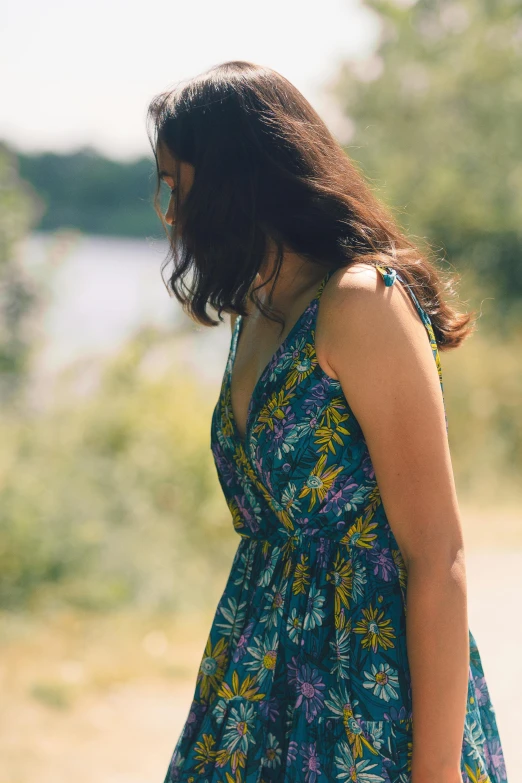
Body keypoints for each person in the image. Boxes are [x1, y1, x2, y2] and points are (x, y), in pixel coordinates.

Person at [147, 60, 508, 783]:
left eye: (176, 186)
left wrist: (434, 771)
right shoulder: (255, 311)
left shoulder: (361, 303)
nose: (170, 213)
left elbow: (437, 556)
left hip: (363, 692)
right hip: (251, 690)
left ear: (234, 182)